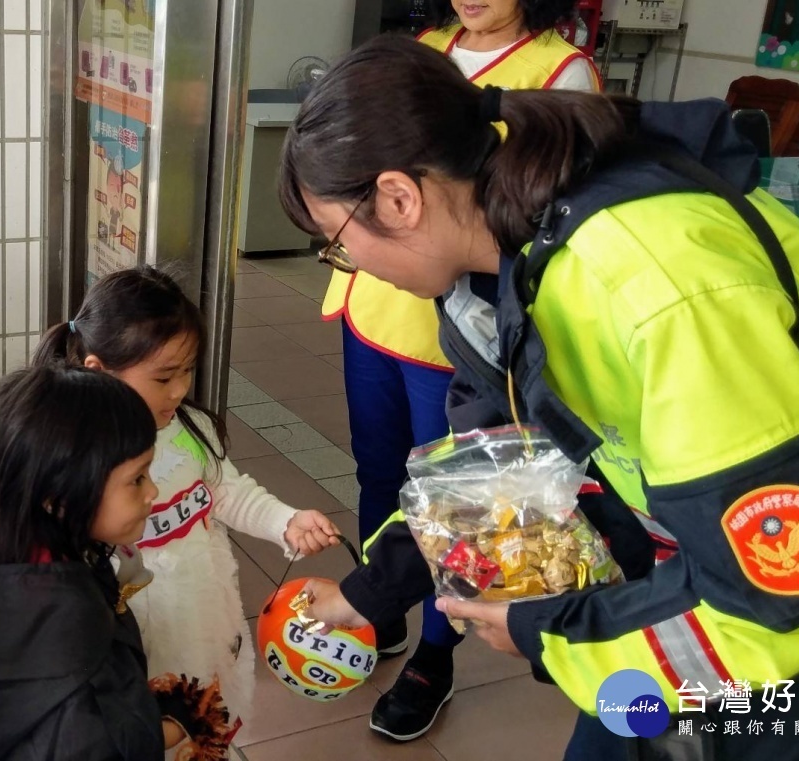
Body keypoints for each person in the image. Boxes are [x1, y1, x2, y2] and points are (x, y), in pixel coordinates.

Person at [277, 35, 799, 760]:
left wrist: (541, 631)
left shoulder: (658, 289)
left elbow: (785, 603)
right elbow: (487, 478)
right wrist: (369, 592)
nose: (350, 265)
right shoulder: (491, 276)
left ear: (398, 197)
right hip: (683, 578)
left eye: (338, 242)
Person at [320, 0, 602, 741]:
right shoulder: (426, 48)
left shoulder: (562, 71)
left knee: (451, 484)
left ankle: (434, 656)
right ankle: (380, 603)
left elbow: (489, 493)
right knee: (381, 471)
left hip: (456, 331)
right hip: (385, 307)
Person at [33, 266, 342, 757]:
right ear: (97, 370)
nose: (179, 390)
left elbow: (226, 492)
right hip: (129, 636)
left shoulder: (190, 427)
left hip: (205, 610)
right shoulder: (75, 456)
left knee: (205, 720)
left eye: (187, 371)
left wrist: (285, 520)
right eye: (162, 376)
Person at [0, 364, 170, 759]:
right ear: (57, 498)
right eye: (137, 478)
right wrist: (172, 726)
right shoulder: (71, 646)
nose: (154, 491)